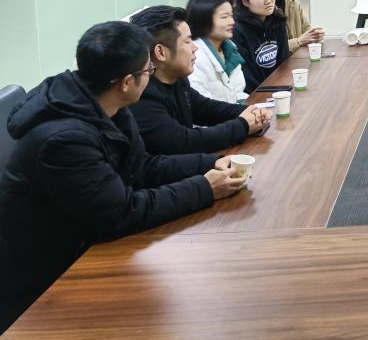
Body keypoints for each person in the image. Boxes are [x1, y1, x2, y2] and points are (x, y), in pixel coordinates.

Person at [0, 21, 246, 332]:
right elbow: (121, 213)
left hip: (85, 240)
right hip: (45, 282)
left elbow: (142, 166)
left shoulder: (106, 102)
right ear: (128, 82)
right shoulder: (64, 140)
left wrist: (210, 163)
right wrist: (205, 188)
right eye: (148, 71)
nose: (151, 77)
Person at [129, 5, 270, 154]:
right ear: (161, 52)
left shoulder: (176, 79)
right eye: (187, 41)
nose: (195, 47)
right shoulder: (141, 94)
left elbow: (205, 108)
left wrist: (251, 111)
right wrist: (243, 125)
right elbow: (183, 142)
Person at [186, 0, 247, 103]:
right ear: (203, 20)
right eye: (224, 17)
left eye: (231, 16)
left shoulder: (230, 50)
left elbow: (239, 92)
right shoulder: (195, 56)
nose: (232, 22)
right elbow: (201, 103)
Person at [232, 0, 291, 91]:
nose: (268, 0)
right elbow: (246, 75)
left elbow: (284, 61)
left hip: (279, 88)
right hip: (253, 93)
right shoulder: (236, 30)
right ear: (245, 1)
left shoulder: (277, 21)